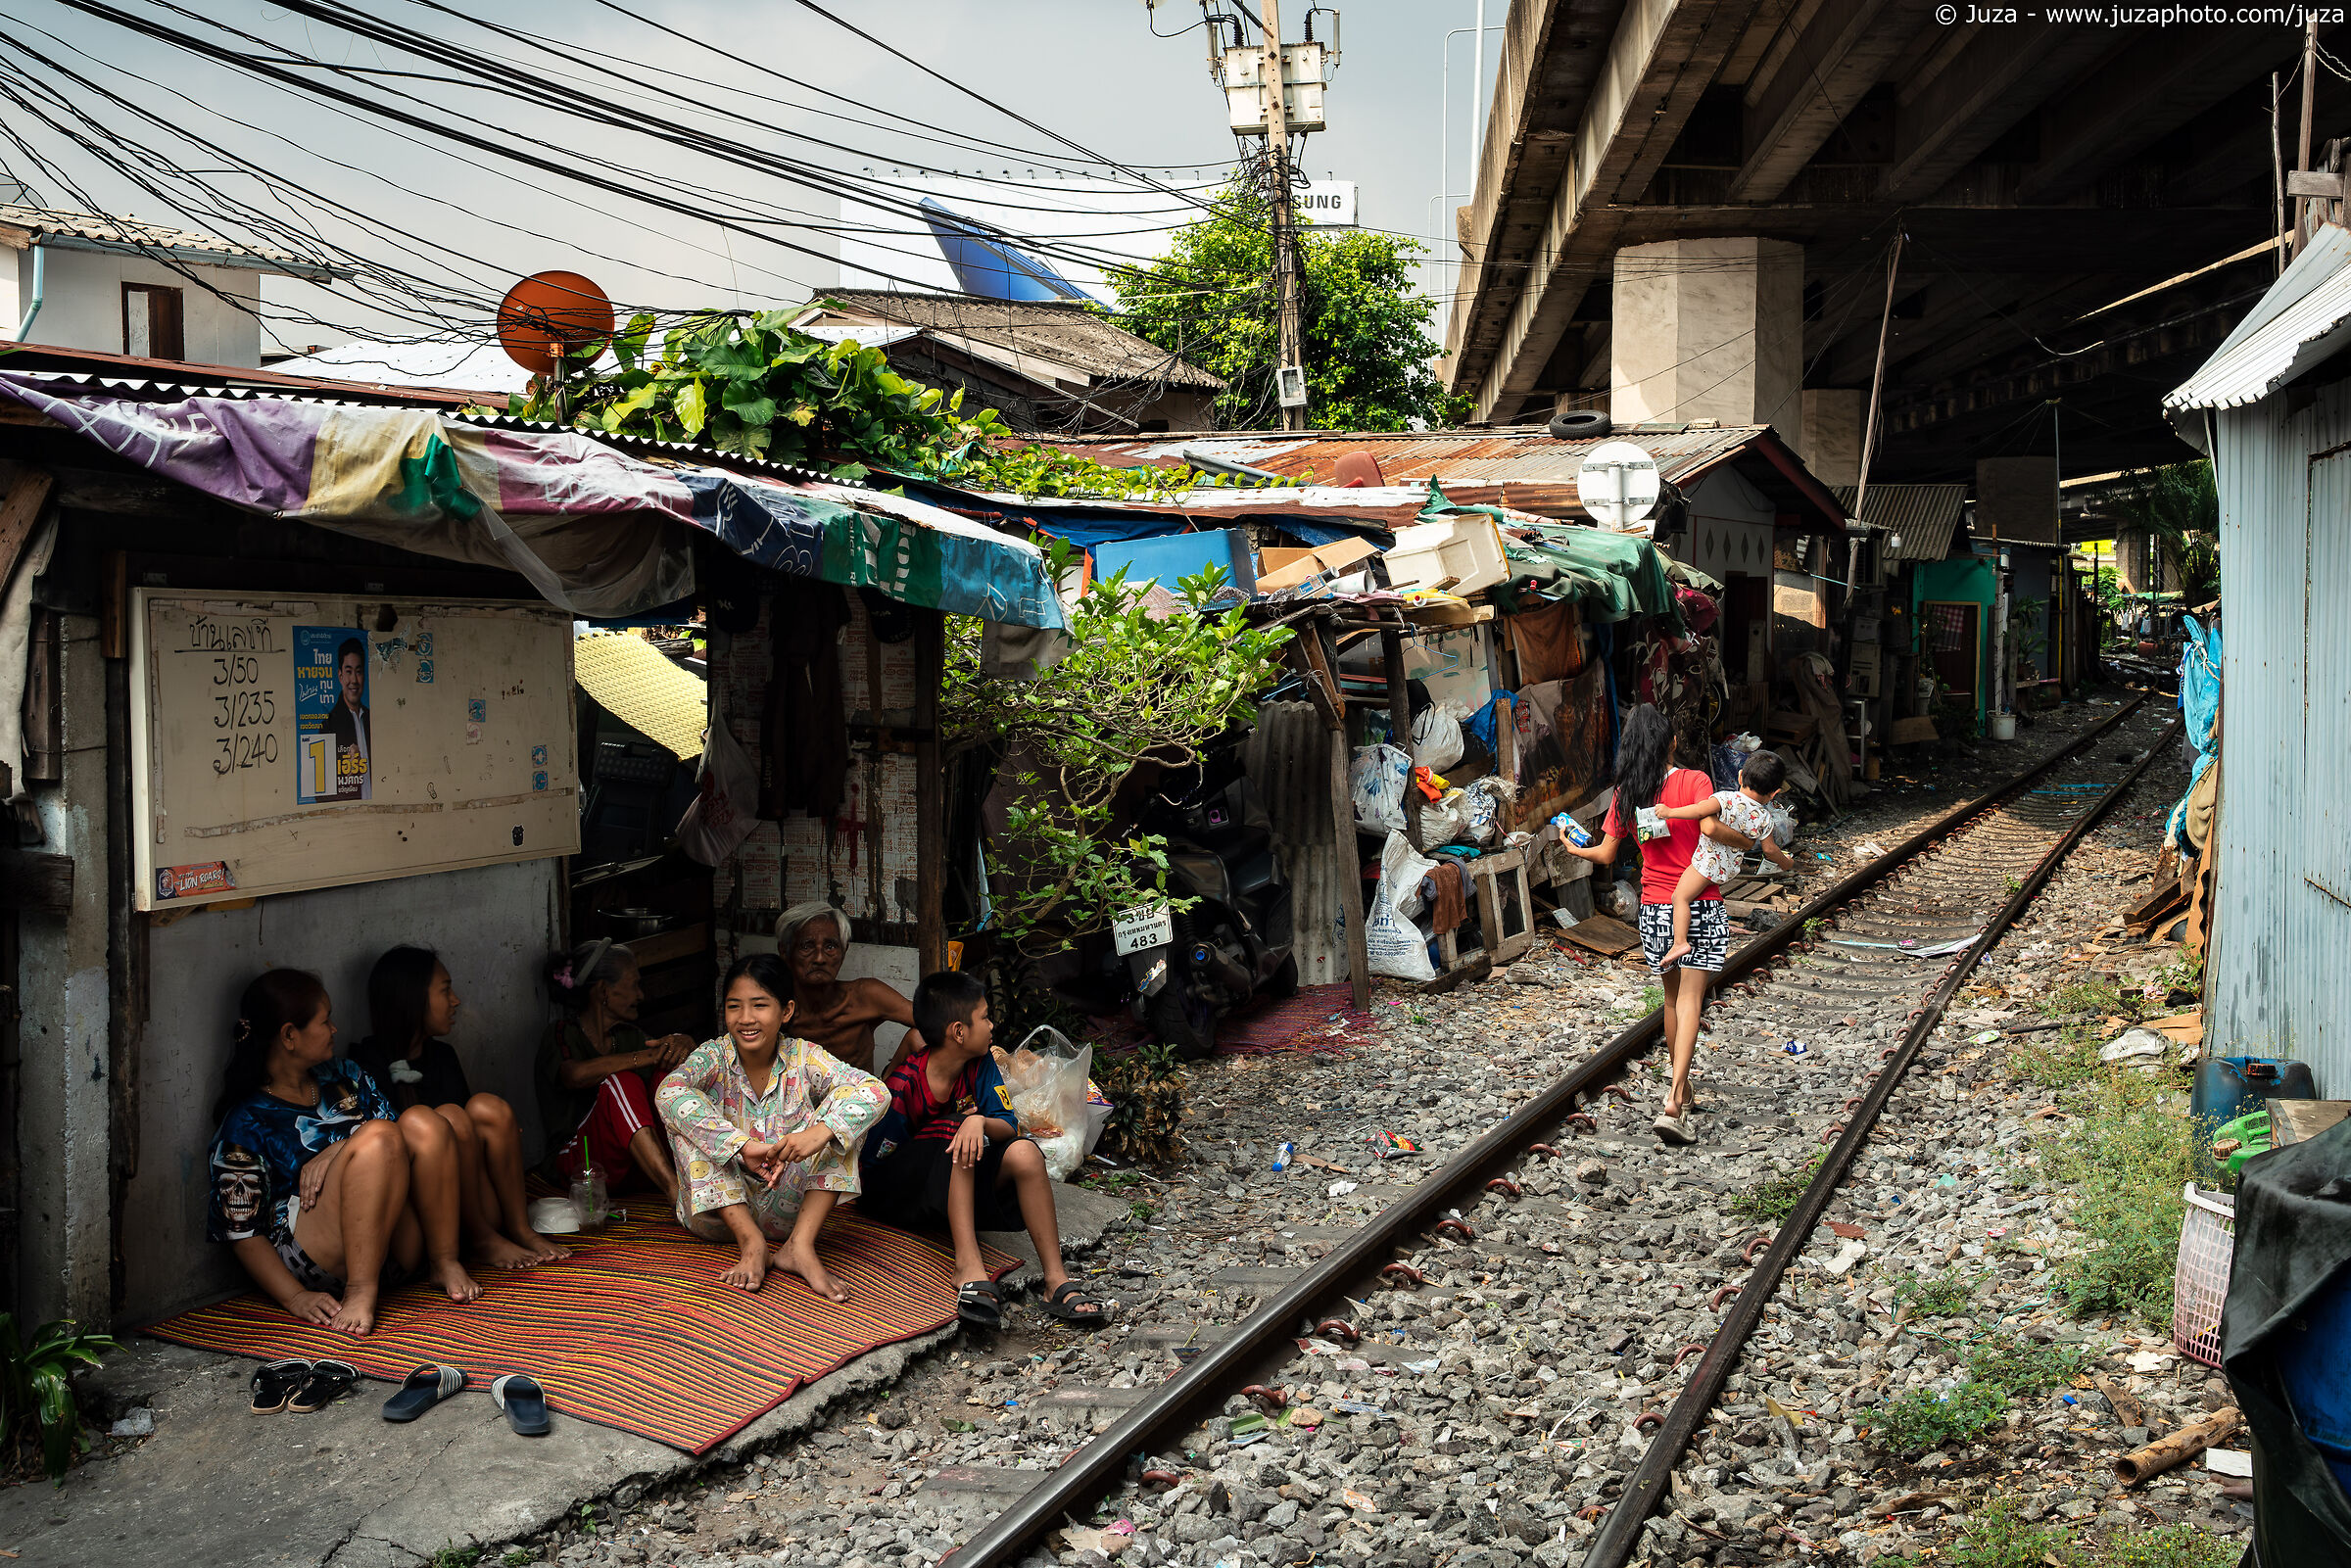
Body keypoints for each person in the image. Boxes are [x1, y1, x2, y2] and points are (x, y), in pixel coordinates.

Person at [209, 970, 480, 1336]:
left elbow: (406, 1137)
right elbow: (241, 1230)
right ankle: (360, 1291)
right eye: (325, 1021)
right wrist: (294, 1297)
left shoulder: (343, 1075)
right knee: (380, 1134)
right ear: (290, 1035)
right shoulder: (247, 1121)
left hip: (391, 1245)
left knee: (426, 1120)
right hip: (319, 1257)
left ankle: (443, 1260)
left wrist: (339, 1148)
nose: (335, 1029)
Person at [859, 971, 1109, 1331]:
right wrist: (963, 1125)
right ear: (959, 1032)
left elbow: (1008, 1124)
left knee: (1024, 1152)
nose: (992, 1026)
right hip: (893, 1193)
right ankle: (968, 1265)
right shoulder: (904, 1085)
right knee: (957, 1125)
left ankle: (1055, 1281)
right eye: (985, 1017)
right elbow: (875, 1165)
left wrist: (978, 1123)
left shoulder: (981, 1065)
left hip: (952, 1184)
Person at [1563, 703, 1759, 1147]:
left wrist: (1574, 848)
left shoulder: (1627, 791)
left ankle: (1683, 1088)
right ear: (1670, 741)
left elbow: (1606, 855)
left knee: (1671, 1000)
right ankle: (1673, 1098)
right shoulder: (1695, 781)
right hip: (1699, 904)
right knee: (1693, 999)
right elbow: (1711, 827)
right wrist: (1747, 841)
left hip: (1653, 908)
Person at [655, 954, 889, 1298]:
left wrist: (819, 1133)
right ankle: (751, 1243)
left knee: (843, 1119)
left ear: (786, 1011)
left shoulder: (804, 1056)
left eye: (760, 1005)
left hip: (790, 1212)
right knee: (687, 1112)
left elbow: (875, 1090)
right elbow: (667, 1092)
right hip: (718, 1214)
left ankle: (800, 1247)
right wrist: (741, 1146)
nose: (746, 1019)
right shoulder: (713, 1056)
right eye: (735, 1006)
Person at [350, 946, 567, 1269]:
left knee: (486, 1108)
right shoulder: (365, 1063)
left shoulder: (443, 1057)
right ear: (412, 999)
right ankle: (479, 1242)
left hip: (471, 1204)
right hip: (419, 1217)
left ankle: (519, 1228)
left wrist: (502, 1132)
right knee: (441, 1120)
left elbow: (466, 1138)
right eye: (445, 989)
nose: (456, 1000)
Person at [537, 940, 691, 1200]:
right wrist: (648, 1056)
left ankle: (698, 1178)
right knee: (622, 1083)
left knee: (667, 1077)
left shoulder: (628, 1036)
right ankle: (677, 1193)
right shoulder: (563, 1033)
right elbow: (574, 1075)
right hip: (580, 1165)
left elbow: (666, 1060)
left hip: (632, 1166)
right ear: (603, 991)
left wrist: (682, 1043)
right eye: (633, 985)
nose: (640, 995)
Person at [1654, 750, 1796, 969]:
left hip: (1707, 863)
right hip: (1729, 869)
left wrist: (1670, 812)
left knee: (1679, 897)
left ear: (1740, 777)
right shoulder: (1765, 818)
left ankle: (1680, 942)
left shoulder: (1725, 799)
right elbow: (1770, 850)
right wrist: (1787, 863)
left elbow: (1699, 810)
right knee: (1693, 893)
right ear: (1774, 793)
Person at [774, 902, 925, 1077]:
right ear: (784, 951)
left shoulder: (864, 996)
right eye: (806, 946)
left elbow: (937, 1021)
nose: (820, 958)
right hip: (798, 1102)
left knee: (920, 1037)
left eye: (830, 946)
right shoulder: (773, 1005)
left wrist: (890, 1083)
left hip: (862, 1100)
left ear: (844, 951)